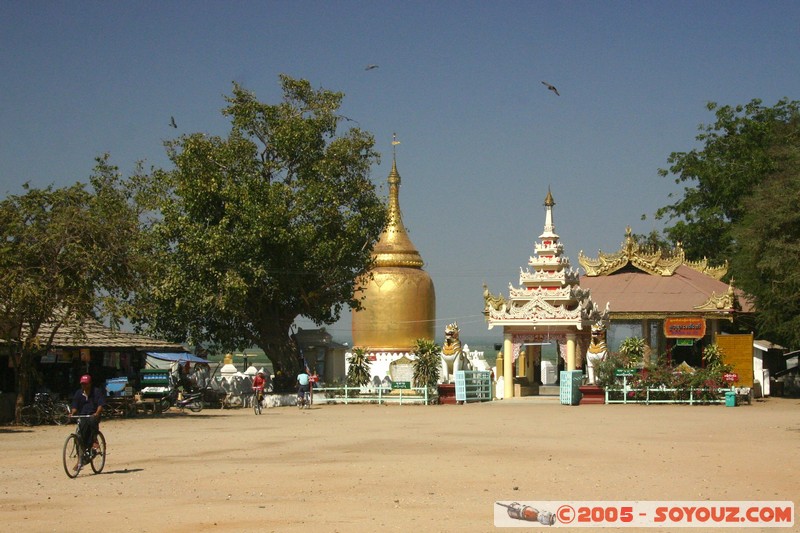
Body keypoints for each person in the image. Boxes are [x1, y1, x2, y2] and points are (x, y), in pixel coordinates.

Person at [70, 374, 105, 453]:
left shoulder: (96, 392)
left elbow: (101, 404)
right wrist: (72, 413)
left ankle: (94, 441)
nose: (84, 385)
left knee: (92, 422)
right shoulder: (78, 393)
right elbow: (75, 405)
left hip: (93, 415)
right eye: (82, 384)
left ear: (90, 383)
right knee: (81, 431)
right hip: (83, 415)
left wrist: (97, 413)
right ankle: (81, 456)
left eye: (85, 384)